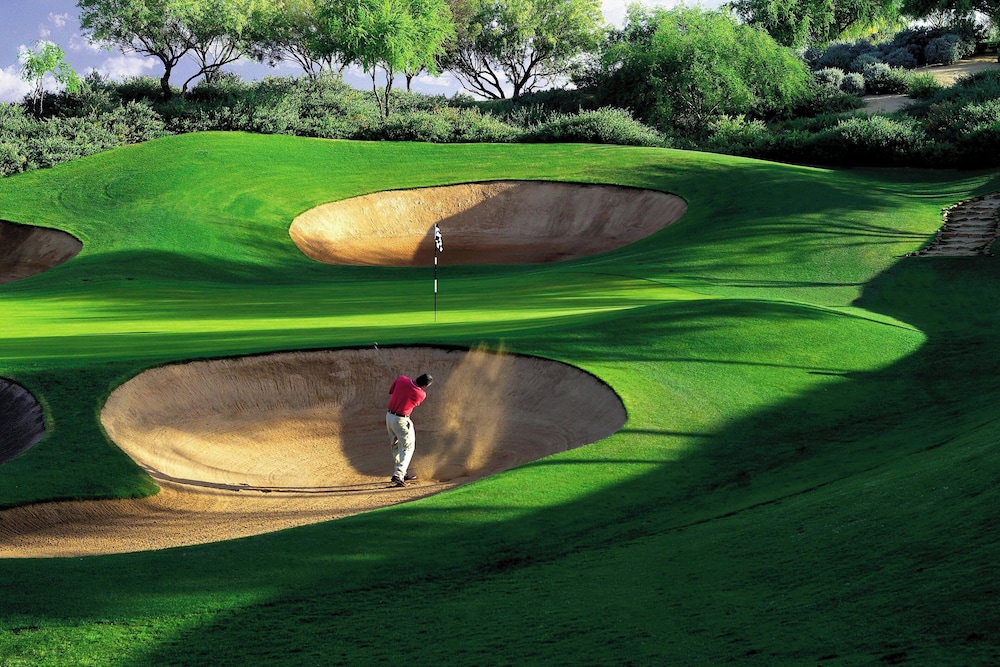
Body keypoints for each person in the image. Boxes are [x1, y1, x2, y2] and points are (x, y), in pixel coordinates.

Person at [386, 373, 432, 487]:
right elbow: (415, 403)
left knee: (396, 445)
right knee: (408, 447)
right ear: (424, 386)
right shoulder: (421, 394)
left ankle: (402, 472)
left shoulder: (402, 379)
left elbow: (391, 391)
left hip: (389, 417)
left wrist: (401, 384)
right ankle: (399, 474)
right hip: (401, 420)